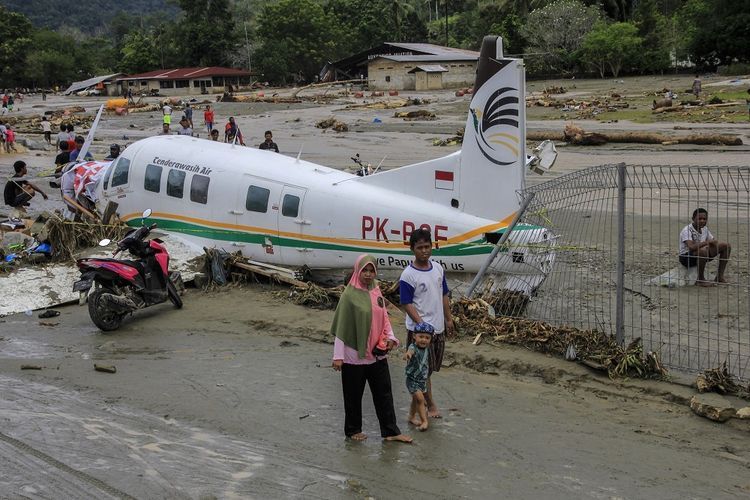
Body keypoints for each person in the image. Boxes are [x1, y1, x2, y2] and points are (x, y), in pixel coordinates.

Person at [330, 255, 412, 443]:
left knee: (384, 393)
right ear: (357, 271)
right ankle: (352, 430)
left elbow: (384, 318)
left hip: (376, 354)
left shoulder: (376, 291)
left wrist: (390, 337)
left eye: (371, 270)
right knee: (352, 396)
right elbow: (342, 328)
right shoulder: (349, 296)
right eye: (364, 270)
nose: (368, 274)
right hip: (353, 356)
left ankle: (391, 431)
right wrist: (338, 356)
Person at [399, 228, 454, 419]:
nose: (424, 251)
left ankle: (417, 403)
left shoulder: (438, 269)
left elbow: (444, 294)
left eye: (427, 246)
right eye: (420, 247)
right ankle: (430, 405)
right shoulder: (408, 275)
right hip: (420, 332)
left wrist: (448, 318)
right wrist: (422, 326)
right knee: (423, 371)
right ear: (412, 249)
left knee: (431, 368)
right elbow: (406, 303)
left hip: (437, 328)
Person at [679, 208, 731, 286]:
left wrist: (714, 244)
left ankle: (719, 277)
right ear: (693, 219)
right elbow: (691, 247)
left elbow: (712, 241)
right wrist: (707, 243)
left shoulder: (705, 229)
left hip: (701, 254)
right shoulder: (687, 230)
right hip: (686, 257)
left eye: (704, 219)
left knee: (726, 246)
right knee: (702, 250)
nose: (702, 221)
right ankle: (700, 280)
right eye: (699, 219)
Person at [404, 322, 434, 432]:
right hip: (412, 379)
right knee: (421, 400)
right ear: (414, 336)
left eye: (427, 338)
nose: (424, 340)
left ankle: (411, 417)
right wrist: (408, 354)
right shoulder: (413, 347)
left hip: (422, 380)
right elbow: (410, 351)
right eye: (421, 337)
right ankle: (424, 421)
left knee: (415, 400)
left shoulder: (427, 348)